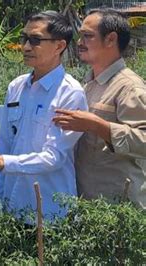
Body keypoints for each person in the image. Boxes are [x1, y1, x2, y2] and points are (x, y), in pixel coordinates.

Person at [0, 11, 88, 222]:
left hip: (50, 212)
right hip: (12, 206)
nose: (26, 47)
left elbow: (54, 157)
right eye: (24, 39)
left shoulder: (70, 93)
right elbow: (5, 143)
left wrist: (2, 162)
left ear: (59, 46)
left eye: (35, 40)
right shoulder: (16, 86)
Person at [53, 8, 146, 209]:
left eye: (87, 36)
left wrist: (99, 126)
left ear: (111, 39)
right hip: (86, 202)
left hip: (117, 208)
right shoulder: (88, 84)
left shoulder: (130, 87)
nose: (79, 43)